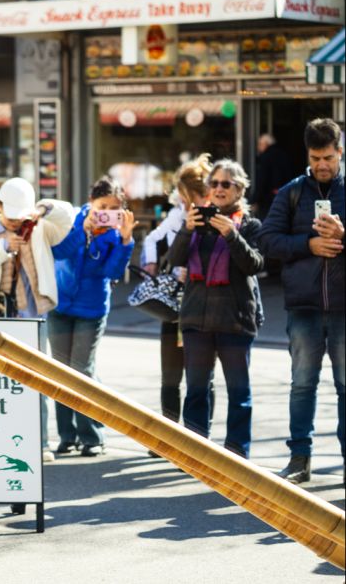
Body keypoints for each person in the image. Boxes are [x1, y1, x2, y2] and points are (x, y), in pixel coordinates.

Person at [0, 177, 73, 462]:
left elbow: (67, 217)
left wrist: (43, 208)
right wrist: (2, 247)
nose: (14, 222)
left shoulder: (39, 227)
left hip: (33, 316)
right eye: (10, 216)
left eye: (19, 216)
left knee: (37, 381)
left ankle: (39, 443)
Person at [258, 118, 344, 484]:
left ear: (340, 152)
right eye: (315, 158)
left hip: (344, 309)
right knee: (302, 385)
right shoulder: (292, 192)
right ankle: (299, 459)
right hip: (304, 306)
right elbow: (267, 240)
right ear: (307, 155)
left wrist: (343, 235)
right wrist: (308, 245)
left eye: (328, 158)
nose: (322, 165)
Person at [167, 159, 263, 459]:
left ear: (240, 189)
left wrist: (232, 235)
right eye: (214, 183)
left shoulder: (250, 225)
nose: (219, 189)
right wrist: (187, 229)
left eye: (226, 184)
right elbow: (174, 260)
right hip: (196, 320)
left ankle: (237, 455)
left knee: (239, 392)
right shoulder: (196, 221)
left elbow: (254, 264)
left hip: (235, 320)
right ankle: (195, 454)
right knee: (196, 389)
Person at [50, 177, 136, 456]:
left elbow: (112, 272)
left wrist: (126, 241)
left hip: (92, 308)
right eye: (102, 206)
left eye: (113, 208)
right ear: (90, 203)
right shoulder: (72, 219)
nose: (106, 213)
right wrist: (83, 229)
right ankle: (67, 435)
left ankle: (92, 436)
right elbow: (58, 252)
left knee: (81, 370)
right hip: (60, 305)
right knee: (59, 371)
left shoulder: (115, 235)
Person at [140, 154, 212, 426]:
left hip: (205, 303)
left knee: (202, 376)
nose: (182, 201)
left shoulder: (217, 216)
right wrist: (151, 264)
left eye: (186, 196)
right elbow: (152, 240)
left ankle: (199, 436)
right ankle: (169, 433)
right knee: (170, 374)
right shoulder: (177, 215)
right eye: (180, 196)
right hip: (176, 303)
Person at [251, 133, 297, 221]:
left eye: (260, 144)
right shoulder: (284, 154)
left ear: (266, 144)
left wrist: (254, 199)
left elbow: (262, 180)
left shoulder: (265, 157)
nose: (258, 147)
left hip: (267, 199)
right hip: (284, 196)